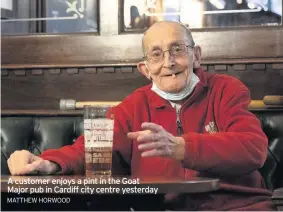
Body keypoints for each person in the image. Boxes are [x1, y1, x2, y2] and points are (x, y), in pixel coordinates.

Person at [7, 21, 275, 210]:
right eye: (157, 55)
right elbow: (90, 150)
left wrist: (181, 147)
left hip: (238, 207)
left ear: (196, 57)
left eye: (177, 50)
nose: (169, 63)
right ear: (145, 69)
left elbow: (253, 148)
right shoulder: (133, 106)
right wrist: (47, 163)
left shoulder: (226, 90)